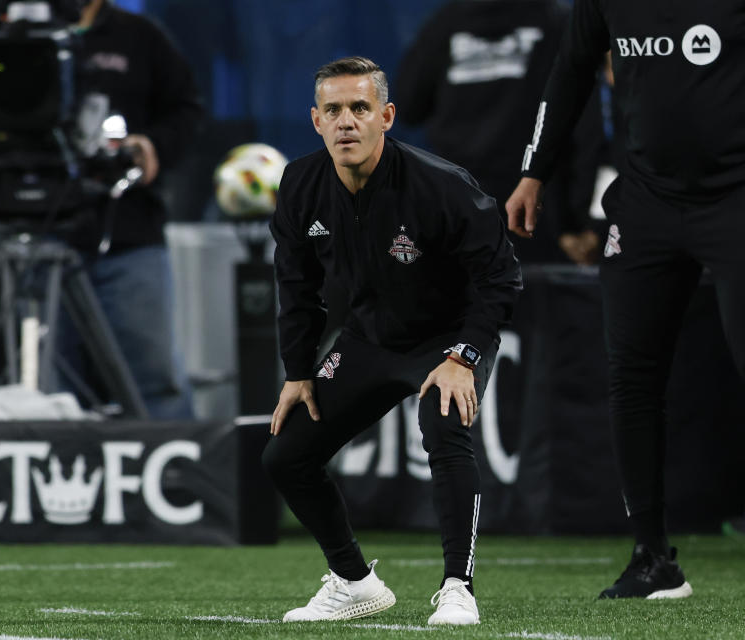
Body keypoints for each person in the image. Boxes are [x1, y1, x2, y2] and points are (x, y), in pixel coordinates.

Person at [264, 57, 521, 625]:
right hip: (367, 339)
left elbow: (500, 277)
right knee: (286, 455)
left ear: (387, 115)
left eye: (359, 108)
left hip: (446, 340)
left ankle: (459, 588)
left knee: (445, 429)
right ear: (315, 121)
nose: (346, 122)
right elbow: (296, 285)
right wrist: (298, 371)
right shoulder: (300, 183)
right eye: (333, 110)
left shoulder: (442, 186)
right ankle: (354, 581)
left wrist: (465, 357)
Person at [507, 1, 745, 599]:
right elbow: (569, 72)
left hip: (736, 200)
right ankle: (652, 560)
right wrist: (533, 173)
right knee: (632, 378)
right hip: (646, 201)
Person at [0, 0, 201, 419]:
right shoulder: (5, 35)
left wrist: (151, 146)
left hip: (126, 235)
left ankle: (174, 480)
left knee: (155, 379)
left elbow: (187, 111)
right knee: (46, 388)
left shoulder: (140, 36)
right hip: (33, 231)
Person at [394, 0, 603, 266]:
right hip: (535, 212)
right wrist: (581, 221)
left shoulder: (445, 23)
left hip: (459, 207)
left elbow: (410, 106)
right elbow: (588, 128)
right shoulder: (557, 21)